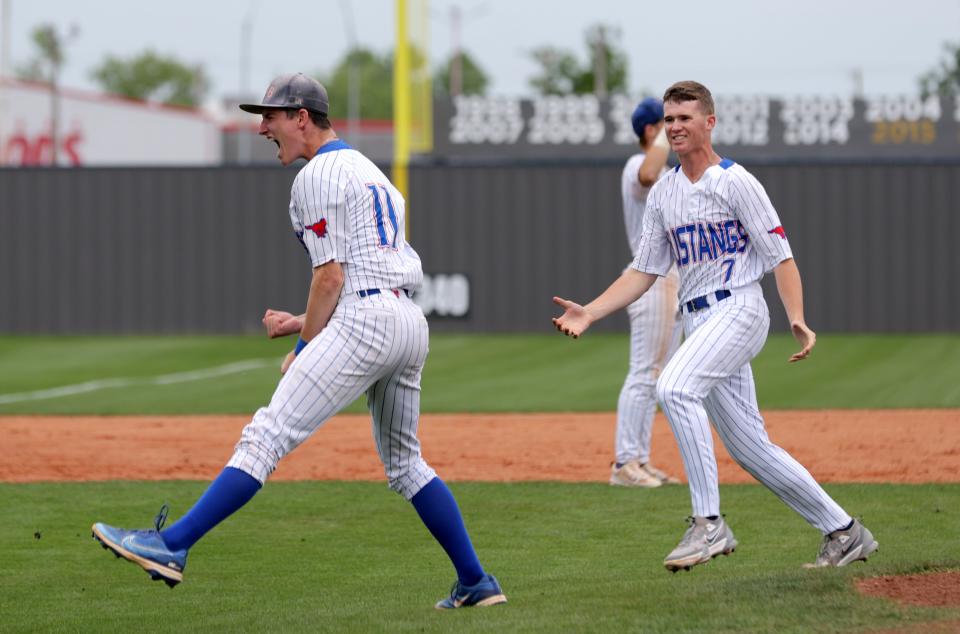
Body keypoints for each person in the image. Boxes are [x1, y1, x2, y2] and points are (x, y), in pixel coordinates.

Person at [91, 73, 507, 610]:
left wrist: (305, 348)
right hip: (406, 319)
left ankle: (171, 545)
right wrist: (302, 321)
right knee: (406, 465)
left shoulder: (316, 176)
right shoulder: (370, 172)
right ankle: (475, 581)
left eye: (271, 116)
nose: (262, 127)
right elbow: (358, 274)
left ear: (302, 118)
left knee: (265, 435)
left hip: (367, 317)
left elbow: (331, 277)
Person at [552, 81, 878, 571]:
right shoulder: (663, 192)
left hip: (739, 308)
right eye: (669, 119)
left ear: (710, 122)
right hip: (699, 317)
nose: (676, 126)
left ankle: (709, 522)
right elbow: (644, 271)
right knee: (752, 450)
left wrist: (797, 318)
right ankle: (844, 531)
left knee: (674, 387)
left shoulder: (736, 182)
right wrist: (592, 311)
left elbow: (780, 256)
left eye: (685, 117)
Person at [609, 98, 682, 488]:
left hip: (671, 280)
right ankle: (624, 463)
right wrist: (664, 140)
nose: (675, 128)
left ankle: (640, 459)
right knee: (644, 372)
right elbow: (650, 171)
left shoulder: (669, 169)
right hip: (649, 278)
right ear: (652, 130)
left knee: (658, 377)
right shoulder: (637, 164)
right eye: (667, 122)